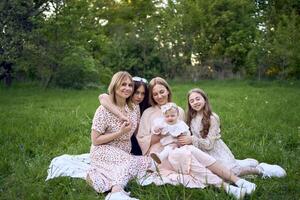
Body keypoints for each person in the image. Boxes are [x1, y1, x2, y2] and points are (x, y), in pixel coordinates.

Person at [136, 77, 257, 199]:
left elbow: (183, 132)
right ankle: (226, 187)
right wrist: (162, 133)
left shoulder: (179, 111)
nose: (159, 96)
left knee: (191, 152)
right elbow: (141, 139)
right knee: (188, 158)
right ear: (152, 96)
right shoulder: (148, 113)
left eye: (162, 92)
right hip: (159, 155)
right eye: (155, 94)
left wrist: (182, 138)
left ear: (168, 91)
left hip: (179, 147)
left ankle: (238, 181)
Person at [178, 88, 286, 178]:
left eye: (198, 99)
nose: (195, 102)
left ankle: (260, 170)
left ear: (205, 100)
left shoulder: (212, 118)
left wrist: (192, 139)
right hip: (202, 154)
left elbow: (209, 145)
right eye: (192, 101)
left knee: (230, 174)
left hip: (215, 151)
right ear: (189, 104)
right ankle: (243, 162)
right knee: (210, 176)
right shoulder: (191, 118)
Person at [86, 72, 156, 200]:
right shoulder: (103, 110)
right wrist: (120, 132)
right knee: (130, 162)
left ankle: (98, 179)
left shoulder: (134, 107)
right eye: (123, 84)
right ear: (114, 85)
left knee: (148, 162)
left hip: (124, 151)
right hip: (103, 150)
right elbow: (95, 140)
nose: (127, 88)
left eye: (130, 85)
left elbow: (137, 132)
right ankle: (116, 190)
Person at [99, 76, 150, 155]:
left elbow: (138, 130)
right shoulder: (119, 102)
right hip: (115, 143)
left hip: (132, 139)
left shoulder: (138, 105)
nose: (140, 97)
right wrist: (120, 115)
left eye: (143, 93)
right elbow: (102, 97)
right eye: (136, 92)